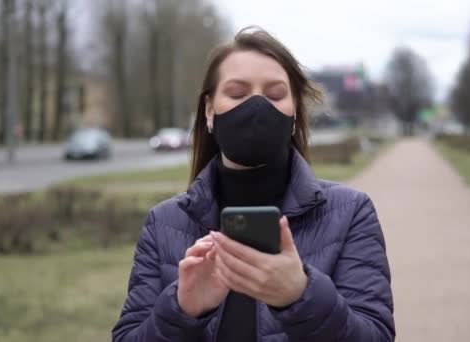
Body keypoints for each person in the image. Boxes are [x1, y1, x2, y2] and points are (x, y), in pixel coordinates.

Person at [112, 27, 395, 342]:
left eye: (275, 95)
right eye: (237, 93)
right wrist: (181, 310)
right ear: (209, 111)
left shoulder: (351, 213)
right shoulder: (163, 223)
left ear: (294, 115)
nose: (257, 107)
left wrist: (300, 296)